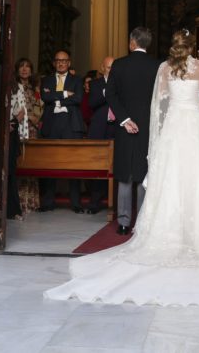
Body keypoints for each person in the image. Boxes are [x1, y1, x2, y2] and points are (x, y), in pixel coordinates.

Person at [44, 30, 199, 306]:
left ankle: (166, 231)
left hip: (174, 128)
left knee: (172, 179)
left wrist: (159, 137)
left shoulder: (164, 68)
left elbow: (159, 105)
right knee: (196, 180)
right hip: (195, 128)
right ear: (191, 47)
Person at [105, 27, 159, 235]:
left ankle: (124, 222)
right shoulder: (157, 66)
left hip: (125, 127)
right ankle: (143, 221)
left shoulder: (119, 64)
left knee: (125, 174)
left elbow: (110, 94)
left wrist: (125, 119)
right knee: (144, 173)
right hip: (148, 127)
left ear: (132, 43)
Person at [38, 49, 86, 213]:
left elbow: (78, 98)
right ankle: (48, 201)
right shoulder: (46, 80)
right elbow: (45, 98)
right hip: (52, 124)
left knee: (73, 164)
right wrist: (65, 93)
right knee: (50, 163)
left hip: (71, 125)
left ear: (69, 63)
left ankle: (75, 202)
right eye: (58, 60)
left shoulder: (77, 80)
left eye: (64, 60)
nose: (61, 63)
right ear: (54, 63)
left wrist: (55, 97)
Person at [7, 57, 42, 218]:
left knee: (32, 163)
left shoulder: (35, 86)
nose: (24, 69)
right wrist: (24, 117)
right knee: (19, 162)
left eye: (27, 67)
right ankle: (18, 201)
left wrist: (35, 117)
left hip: (32, 129)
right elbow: (13, 107)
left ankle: (31, 201)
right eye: (21, 67)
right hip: (19, 127)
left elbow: (40, 104)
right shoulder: (13, 86)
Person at [84, 57, 114, 214]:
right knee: (97, 166)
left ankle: (114, 201)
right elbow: (91, 104)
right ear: (103, 68)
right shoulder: (95, 84)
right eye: (108, 67)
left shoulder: (121, 83)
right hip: (99, 129)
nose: (111, 70)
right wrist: (106, 93)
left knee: (115, 167)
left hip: (116, 128)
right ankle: (94, 202)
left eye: (113, 67)